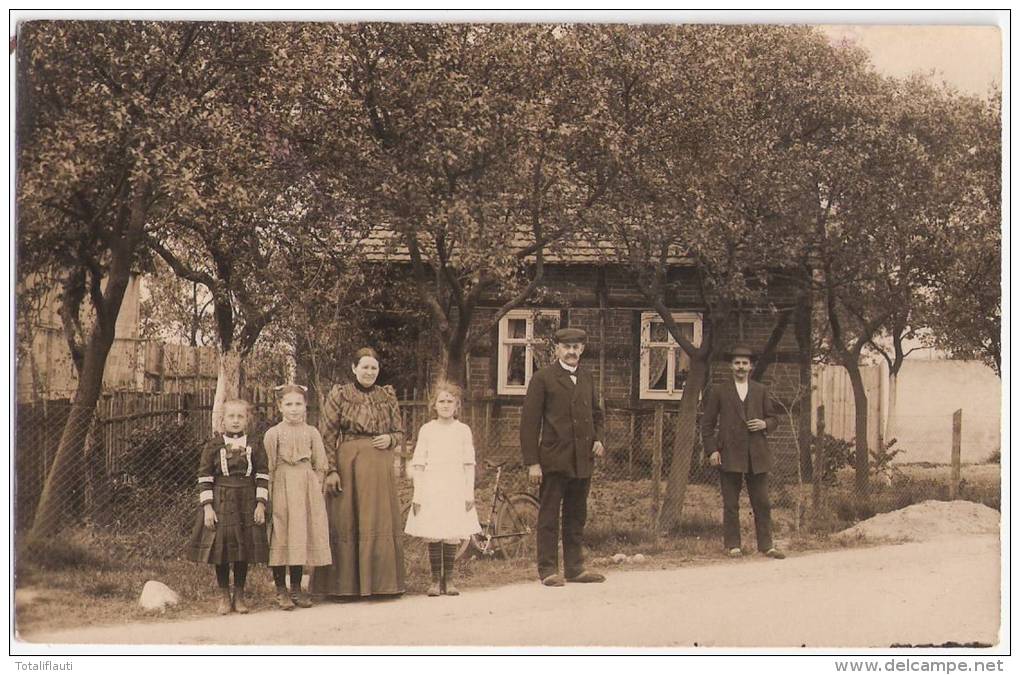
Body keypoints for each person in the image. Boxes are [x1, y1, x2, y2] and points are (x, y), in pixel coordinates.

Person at [310, 347, 406, 598]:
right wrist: (331, 470)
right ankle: (344, 587)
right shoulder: (340, 395)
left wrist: (390, 439)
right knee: (346, 519)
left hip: (378, 467)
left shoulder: (387, 396)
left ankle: (381, 585)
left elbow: (399, 432)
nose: (369, 372)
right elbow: (327, 435)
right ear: (354, 368)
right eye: (364, 367)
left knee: (378, 520)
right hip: (348, 465)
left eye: (374, 367)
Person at [520, 327, 607, 587]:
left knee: (576, 515)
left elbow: (597, 413)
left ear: (582, 350)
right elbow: (529, 423)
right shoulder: (543, 379)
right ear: (556, 349)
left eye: (576, 347)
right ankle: (548, 570)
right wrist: (533, 462)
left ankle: (575, 568)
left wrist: (599, 439)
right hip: (554, 460)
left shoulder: (588, 377)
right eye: (566, 347)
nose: (572, 352)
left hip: (582, 460)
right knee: (549, 516)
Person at [700, 344, 786, 560]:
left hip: (756, 455)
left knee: (762, 503)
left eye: (744, 363)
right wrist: (712, 450)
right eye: (737, 363)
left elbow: (775, 419)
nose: (740, 367)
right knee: (731, 503)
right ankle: (733, 545)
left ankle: (766, 546)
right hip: (728, 454)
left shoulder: (760, 390)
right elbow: (707, 423)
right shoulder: (720, 391)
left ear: (751, 367)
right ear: (731, 366)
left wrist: (764, 424)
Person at [187, 398, 269, 615]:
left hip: (247, 500)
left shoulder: (255, 444)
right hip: (221, 500)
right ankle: (224, 594)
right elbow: (204, 476)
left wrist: (261, 505)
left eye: (240, 416)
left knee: (243, 549)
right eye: (231, 416)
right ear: (222, 419)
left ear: (247, 420)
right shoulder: (213, 446)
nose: (235, 421)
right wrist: (207, 508)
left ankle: (239, 594)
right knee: (220, 549)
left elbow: (262, 475)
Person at [404, 381, 481, 597]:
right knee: (434, 532)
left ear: (457, 405)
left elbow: (469, 464)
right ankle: (435, 580)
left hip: (455, 486)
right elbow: (418, 464)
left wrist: (469, 493)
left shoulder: (463, 430)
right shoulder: (427, 430)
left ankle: (450, 579)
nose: (446, 405)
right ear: (434, 405)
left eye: (450, 401)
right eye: (441, 401)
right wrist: (418, 493)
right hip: (432, 487)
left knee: (451, 532)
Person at [263, 384, 332, 610]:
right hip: (281, 484)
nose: (294, 409)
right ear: (280, 406)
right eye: (289, 404)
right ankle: (280, 589)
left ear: (305, 406)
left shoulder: (312, 432)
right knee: (281, 534)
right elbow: (269, 467)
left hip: (305, 486)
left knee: (299, 535)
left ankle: (296, 588)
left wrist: (315, 488)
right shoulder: (273, 434)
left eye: (298, 404)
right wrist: (269, 495)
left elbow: (320, 464)